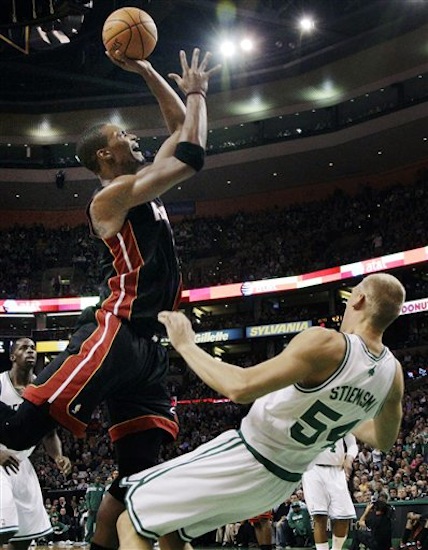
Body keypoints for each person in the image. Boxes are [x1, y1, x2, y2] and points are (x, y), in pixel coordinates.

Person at [0, 47, 220, 550]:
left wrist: (145, 70)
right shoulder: (111, 197)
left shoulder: (140, 185)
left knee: (136, 474)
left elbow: (181, 131)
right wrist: (197, 92)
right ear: (104, 154)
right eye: (122, 136)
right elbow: (192, 151)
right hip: (115, 329)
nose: (133, 138)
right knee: (22, 425)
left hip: (149, 347)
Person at [116, 272, 405, 550]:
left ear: (359, 300)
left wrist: (186, 345)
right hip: (281, 482)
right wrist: (344, 409)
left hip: (247, 456)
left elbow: (240, 387)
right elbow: (384, 439)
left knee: (130, 522)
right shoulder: (392, 375)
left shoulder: (327, 344)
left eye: (350, 295)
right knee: (171, 533)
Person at [0, 337, 71, 550]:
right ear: (12, 356)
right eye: (24, 348)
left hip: (21, 462)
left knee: (22, 540)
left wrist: (58, 456)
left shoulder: (43, 388)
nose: (30, 351)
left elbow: (49, 434)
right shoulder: (0, 383)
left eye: (33, 348)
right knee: (5, 528)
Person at [302, 434, 358, 550]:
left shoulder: (344, 418)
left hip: (337, 469)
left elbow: (352, 444)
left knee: (343, 517)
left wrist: (349, 458)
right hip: (313, 469)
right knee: (319, 516)